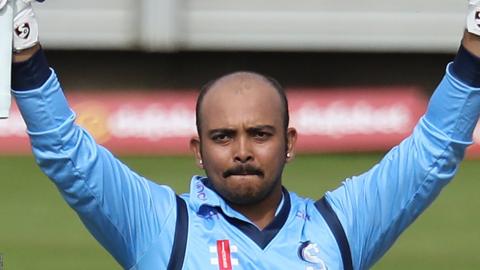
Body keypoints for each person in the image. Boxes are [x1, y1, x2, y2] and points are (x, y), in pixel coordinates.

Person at [9, 1, 480, 269]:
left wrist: (476, 38)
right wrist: (23, 47)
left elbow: (433, 151)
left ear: (290, 143)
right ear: (197, 149)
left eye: (259, 134)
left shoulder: (338, 229)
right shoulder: (159, 226)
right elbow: (66, 154)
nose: (241, 152)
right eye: (221, 137)